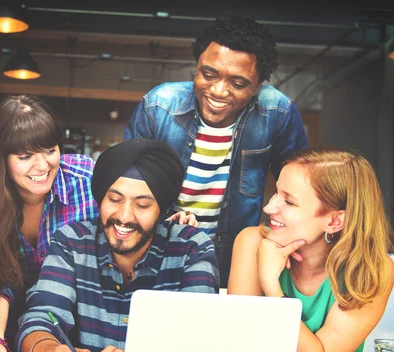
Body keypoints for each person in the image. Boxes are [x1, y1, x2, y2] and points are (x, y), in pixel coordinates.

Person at [17, 139, 219, 352]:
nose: (124, 217)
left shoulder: (191, 249)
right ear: (100, 199)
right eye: (114, 199)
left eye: (142, 205)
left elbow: (202, 344)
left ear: (162, 209)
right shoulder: (71, 242)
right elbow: (38, 321)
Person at [124, 16, 308, 287]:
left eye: (238, 83)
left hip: (234, 257)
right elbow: (126, 185)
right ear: (196, 67)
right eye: (208, 75)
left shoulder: (277, 113)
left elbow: (302, 191)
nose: (218, 91)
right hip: (157, 250)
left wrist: (285, 241)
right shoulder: (158, 106)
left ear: (258, 85)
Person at [228, 148, 394, 352]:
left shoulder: (372, 269)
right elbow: (236, 350)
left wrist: (271, 288)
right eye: (276, 193)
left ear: (335, 221)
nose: (269, 208)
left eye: (289, 201)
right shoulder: (252, 242)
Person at [0, 95, 98, 352]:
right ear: (1, 158)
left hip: (77, 321)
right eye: (25, 156)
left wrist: (171, 221)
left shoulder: (86, 180)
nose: (42, 166)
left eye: (50, 150)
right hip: (2, 321)